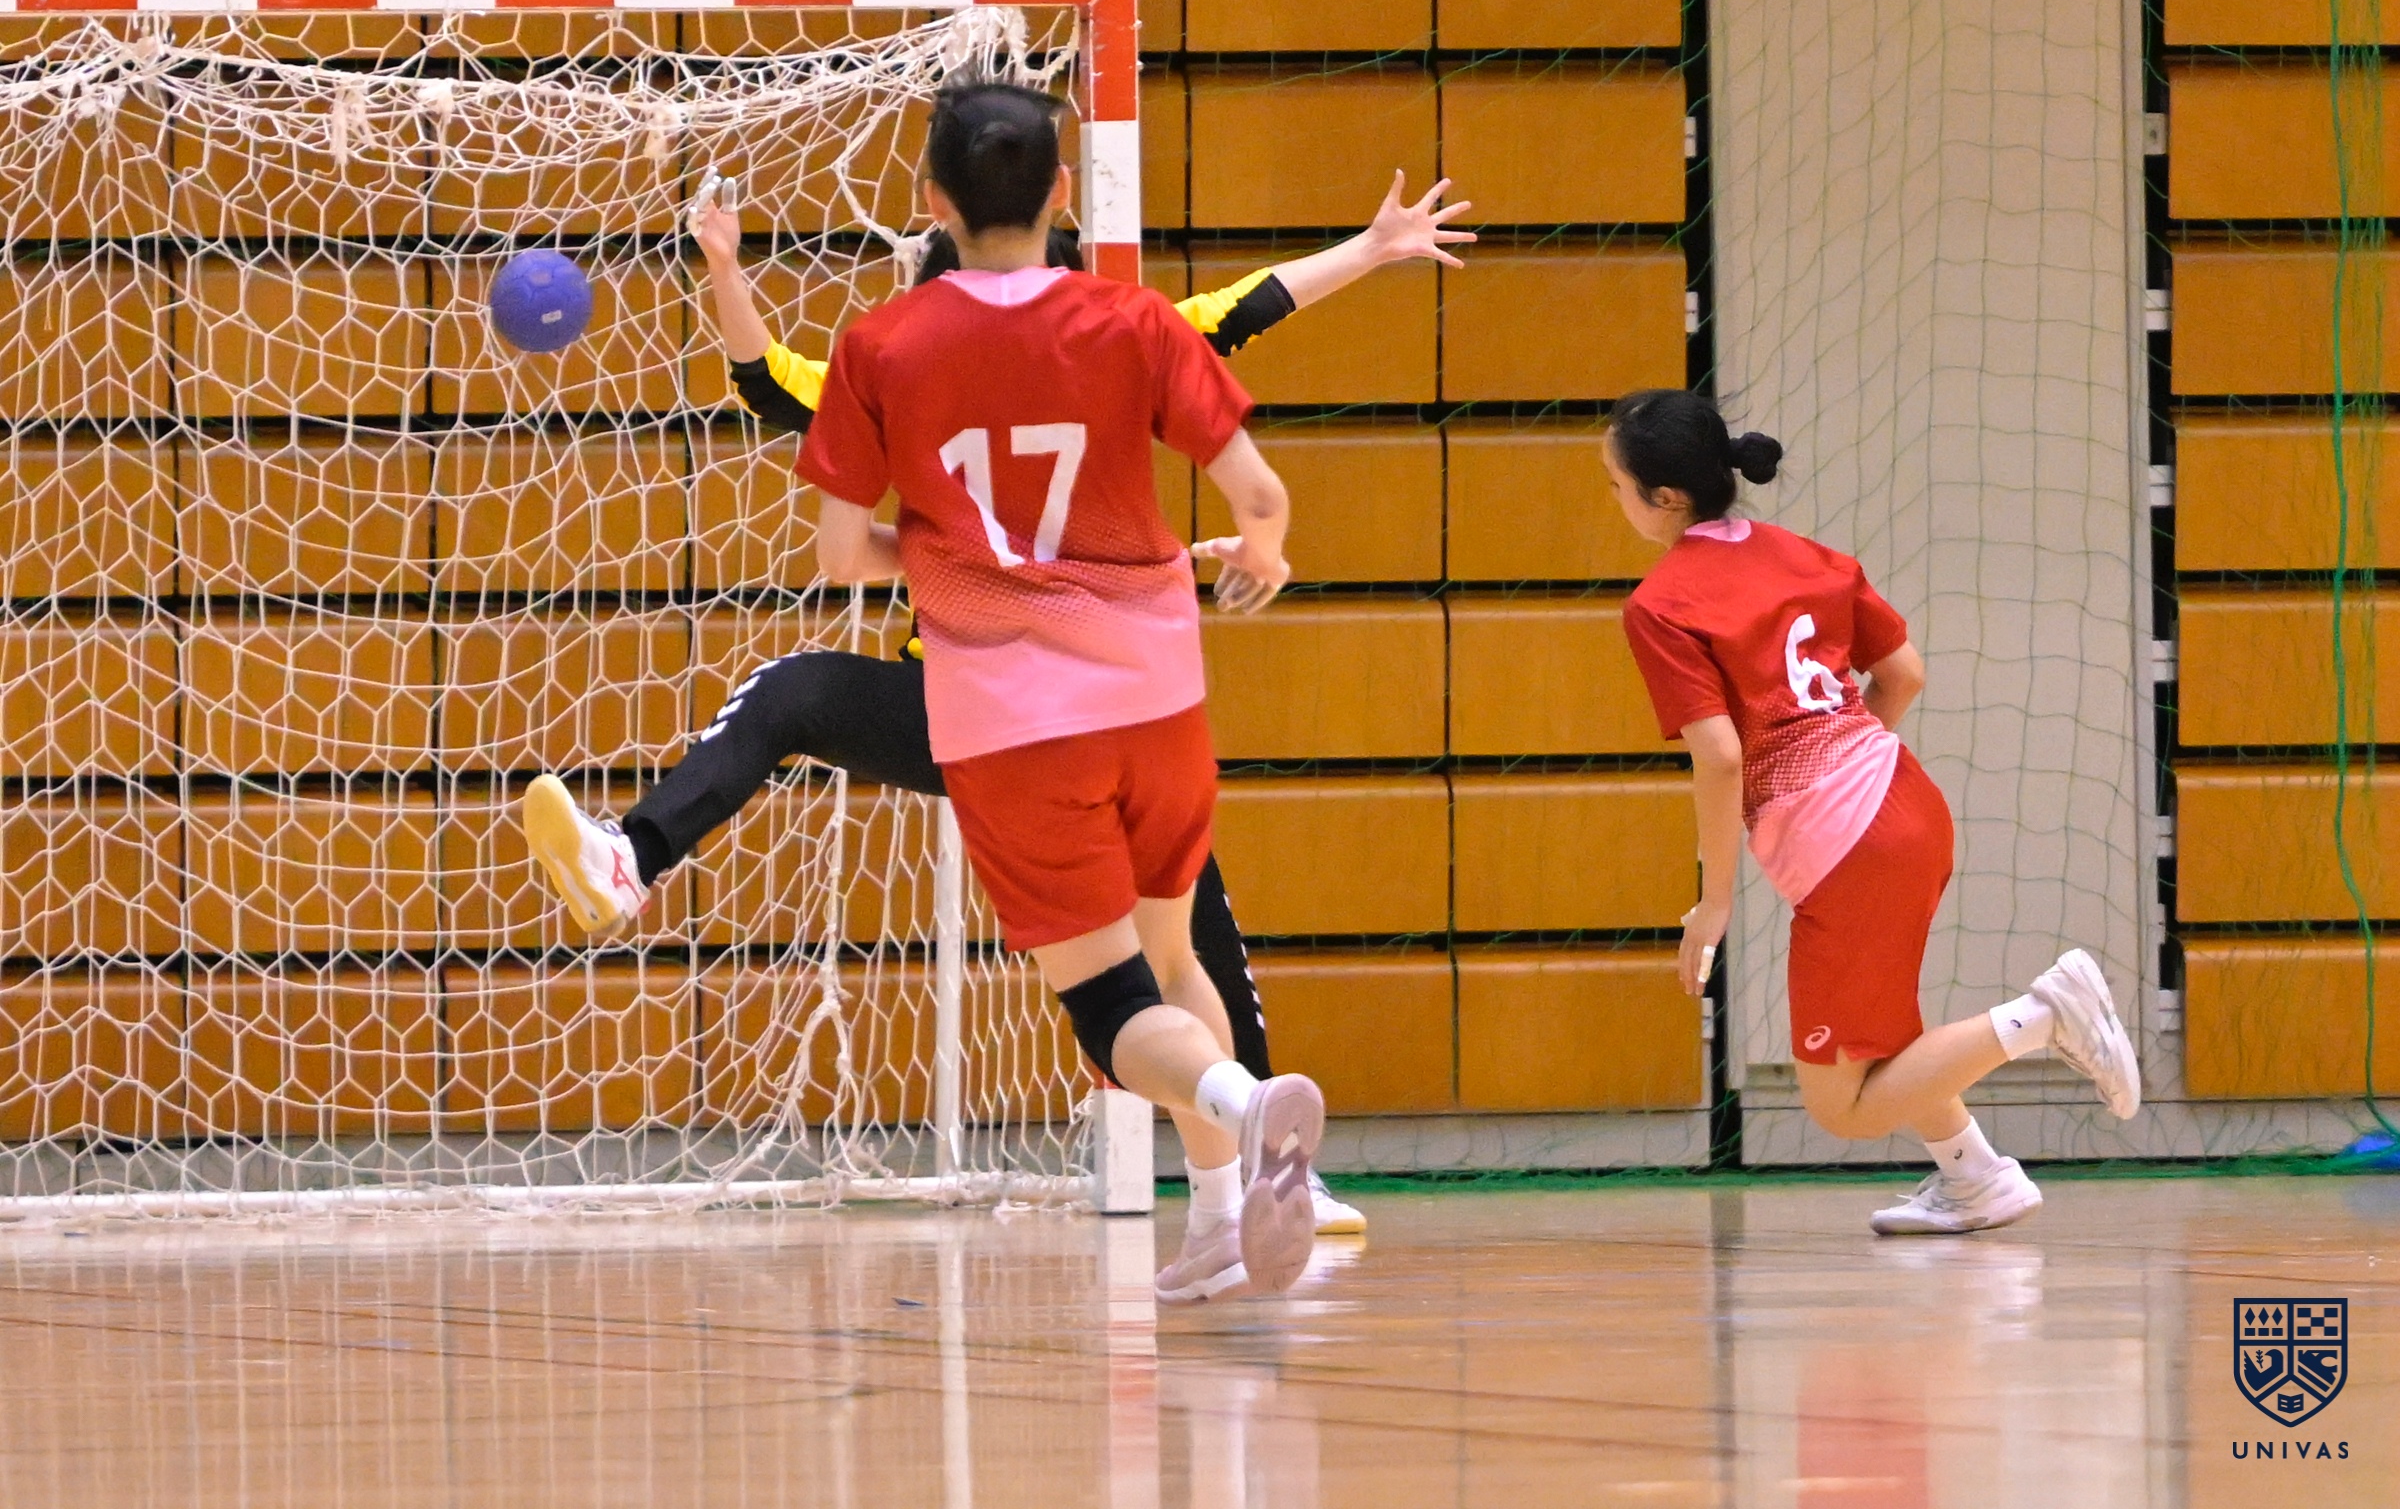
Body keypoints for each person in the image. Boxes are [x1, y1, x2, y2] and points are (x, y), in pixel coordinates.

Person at [523, 164, 1468, 1239]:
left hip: (979, 705)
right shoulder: (1119, 331)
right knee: (1179, 936)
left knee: (795, 696)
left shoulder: (901, 356)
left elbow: (766, 381)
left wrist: (728, 271)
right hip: (1114, 696)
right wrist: (1370, 250)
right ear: (1056, 212)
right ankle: (1258, 1165)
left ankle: (636, 854)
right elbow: (1247, 309)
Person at [1605, 388, 2141, 1235]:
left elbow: (1720, 756)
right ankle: (1976, 1178)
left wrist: (1713, 903)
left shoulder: (1662, 605)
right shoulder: (1811, 556)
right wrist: (1849, 774)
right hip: (1907, 799)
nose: (1616, 500)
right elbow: (1904, 674)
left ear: (1664, 497)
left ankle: (2044, 1016)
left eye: (1616, 485)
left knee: (1844, 1107)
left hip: (1851, 851)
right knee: (1884, 1032)